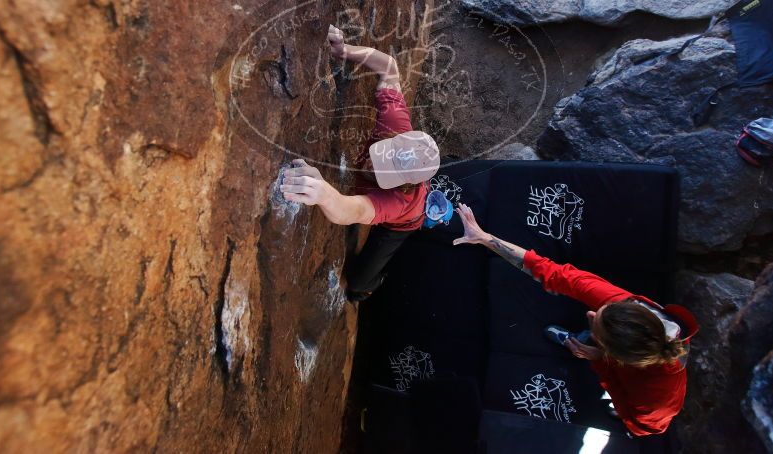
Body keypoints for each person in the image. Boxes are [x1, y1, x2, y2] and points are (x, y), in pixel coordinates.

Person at [452, 202, 698, 437]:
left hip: (633, 400)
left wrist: (598, 359)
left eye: (596, 327)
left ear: (617, 356)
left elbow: (644, 426)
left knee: (622, 407)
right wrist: (484, 237)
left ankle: (591, 353)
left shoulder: (655, 400)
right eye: (600, 312)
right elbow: (550, 272)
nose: (590, 313)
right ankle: (587, 341)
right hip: (623, 353)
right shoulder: (625, 305)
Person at [281, 25, 440, 301]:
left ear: (401, 184)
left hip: (403, 224)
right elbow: (389, 67)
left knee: (357, 282)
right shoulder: (395, 125)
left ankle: (373, 285)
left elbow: (351, 211)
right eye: (383, 158)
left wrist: (322, 192)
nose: (371, 167)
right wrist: (345, 51)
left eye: (384, 173)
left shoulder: (397, 201)